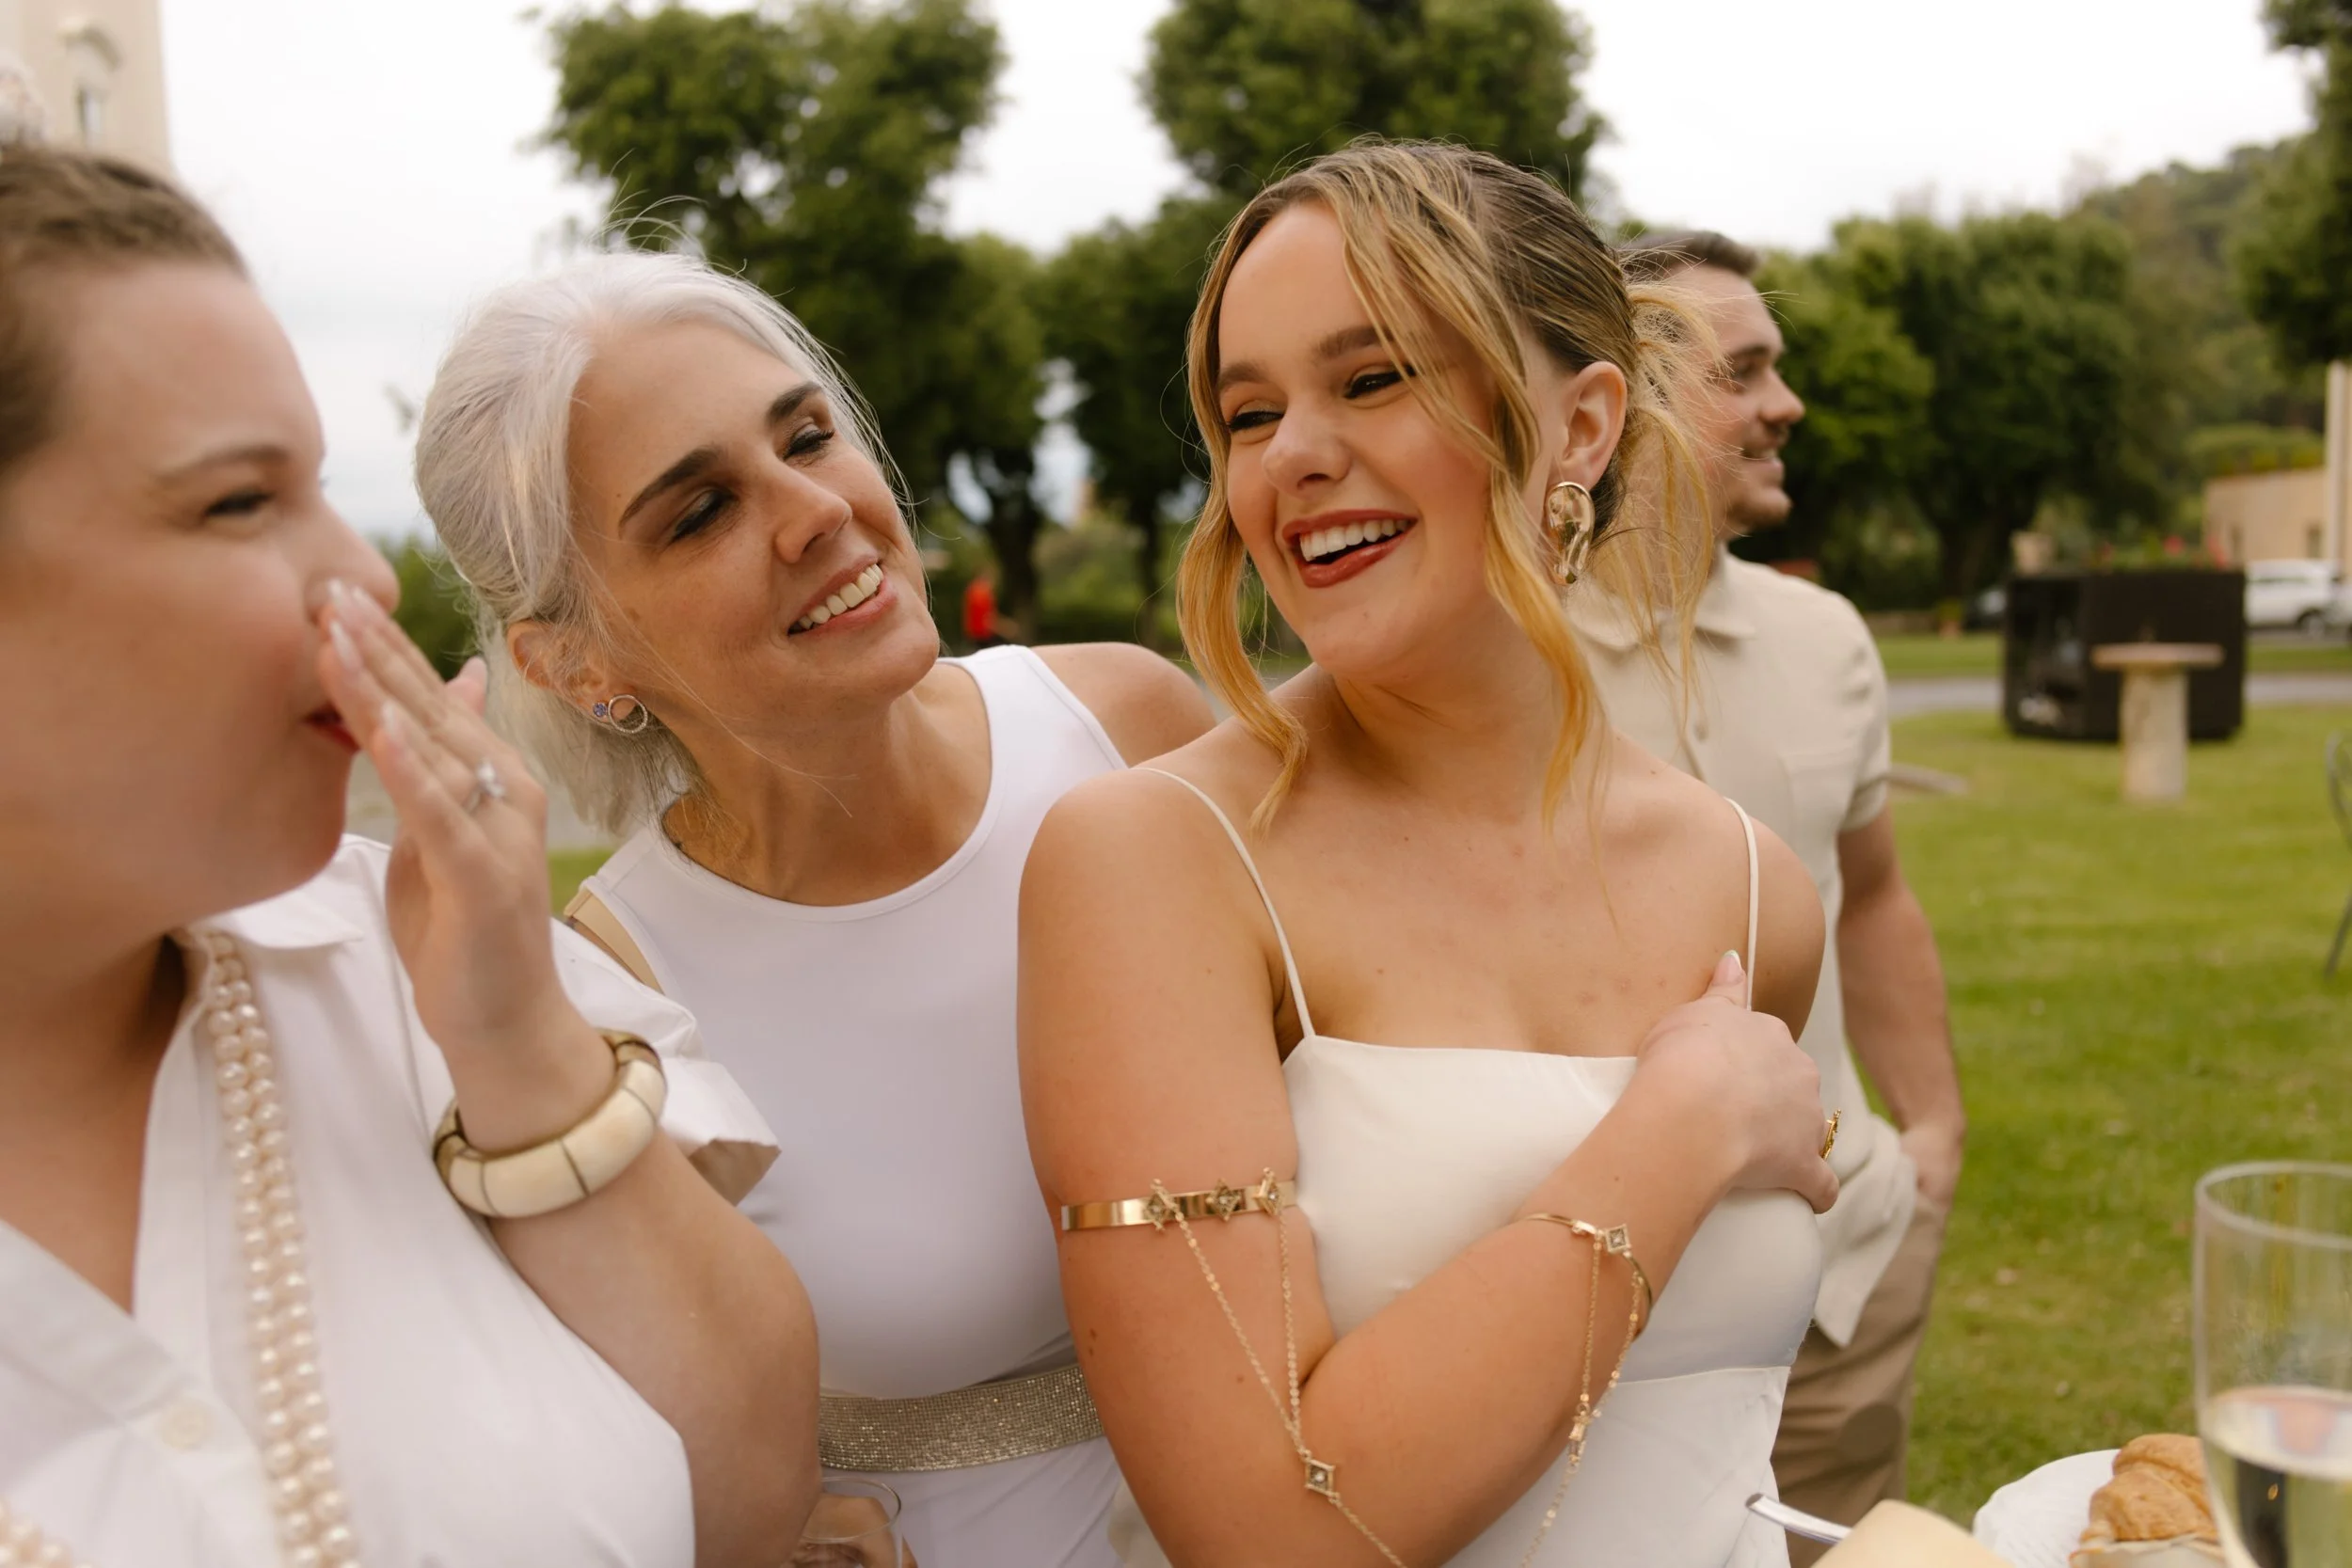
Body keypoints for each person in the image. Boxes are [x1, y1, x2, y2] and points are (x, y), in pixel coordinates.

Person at [1020, 140, 1844, 1568]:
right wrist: (1686, 1122)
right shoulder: (1159, 862)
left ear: (1582, 428)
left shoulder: (1757, 890)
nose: (1292, 456)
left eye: (1374, 375)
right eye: (1248, 410)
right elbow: (1270, 1530)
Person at [0, 147, 819, 1567]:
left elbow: (755, 1495)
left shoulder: (426, 966)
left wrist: (515, 1050)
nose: (370, 580)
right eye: (241, 503)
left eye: (323, 485)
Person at [416, 249, 1214, 1568]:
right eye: (698, 513)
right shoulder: (612, 1008)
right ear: (576, 661)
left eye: (805, 435)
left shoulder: (1130, 725)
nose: (814, 514)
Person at [1572, 230, 1964, 1562]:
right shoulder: (1499, 655)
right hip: (1603, 1303)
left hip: (1845, 1273)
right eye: (1743, 372)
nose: (1783, 405)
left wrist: (1933, 1144)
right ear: (1612, 404)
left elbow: (1875, 897)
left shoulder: (1828, 637)